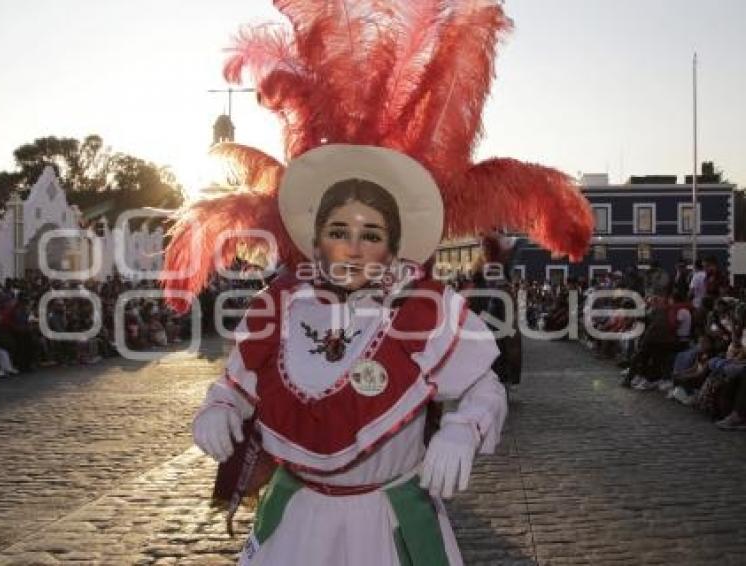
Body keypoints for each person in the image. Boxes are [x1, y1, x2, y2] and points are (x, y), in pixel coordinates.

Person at [162, 2, 593, 564]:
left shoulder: (425, 305)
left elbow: (482, 385)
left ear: (393, 242)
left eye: (372, 233)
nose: (356, 246)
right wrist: (217, 410)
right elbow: (238, 384)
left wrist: (465, 428)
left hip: (388, 523)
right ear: (317, 238)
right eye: (340, 230)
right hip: (296, 523)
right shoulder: (281, 302)